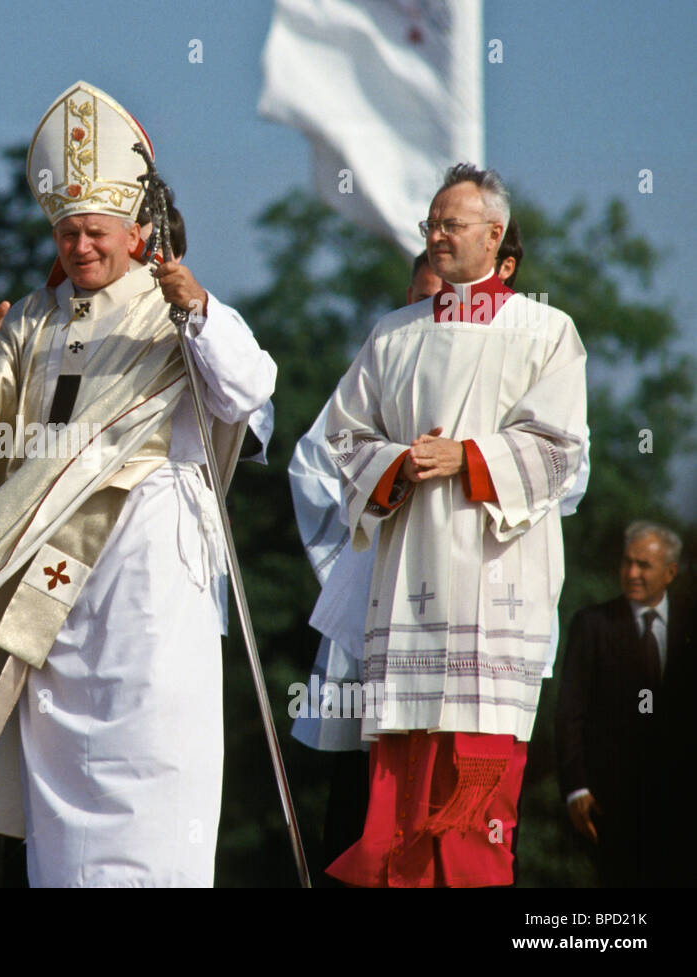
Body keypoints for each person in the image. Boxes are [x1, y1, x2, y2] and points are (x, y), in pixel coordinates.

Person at [0, 81, 276, 887]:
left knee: (150, 749)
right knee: (58, 759)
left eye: (94, 231)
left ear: (137, 231)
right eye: (67, 232)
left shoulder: (172, 309)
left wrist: (201, 314)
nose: (80, 246)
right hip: (50, 577)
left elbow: (249, 400)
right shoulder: (34, 321)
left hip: (147, 571)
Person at [321, 163, 588, 887]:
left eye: (451, 224)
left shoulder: (545, 330)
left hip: (494, 581)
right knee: (397, 807)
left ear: (494, 234)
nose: (436, 235)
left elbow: (561, 449)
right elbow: (340, 438)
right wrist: (398, 465)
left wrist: (467, 456)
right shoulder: (392, 335)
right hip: (409, 583)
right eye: (430, 225)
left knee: (475, 806)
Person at [556, 521, 690, 886]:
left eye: (643, 565)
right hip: (609, 804)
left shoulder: (689, 628)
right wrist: (576, 787)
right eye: (627, 563)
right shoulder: (592, 625)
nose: (632, 573)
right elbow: (569, 711)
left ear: (670, 572)